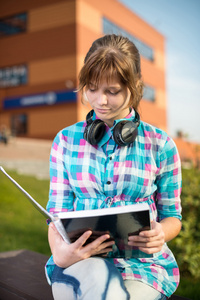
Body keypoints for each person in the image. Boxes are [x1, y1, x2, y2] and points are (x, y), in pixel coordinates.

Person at [45, 34, 182, 300]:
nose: (100, 101)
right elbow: (56, 212)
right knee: (96, 281)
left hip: (142, 267)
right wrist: (61, 253)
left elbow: (172, 216)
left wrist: (160, 233)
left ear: (135, 86)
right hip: (78, 261)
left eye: (112, 91)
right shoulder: (64, 141)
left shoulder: (161, 145)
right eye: (92, 88)